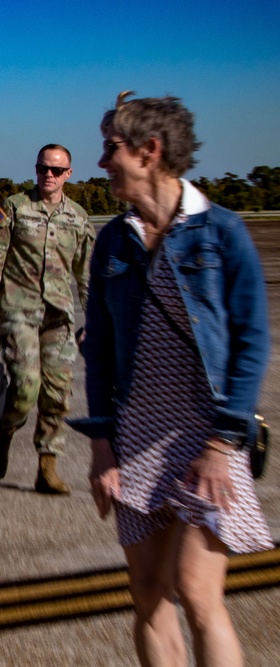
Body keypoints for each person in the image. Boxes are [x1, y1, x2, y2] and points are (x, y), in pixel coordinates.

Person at [74, 92, 272, 666]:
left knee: (197, 591)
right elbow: (102, 352)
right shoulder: (113, 240)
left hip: (208, 440)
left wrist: (222, 442)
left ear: (149, 151)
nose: (102, 161)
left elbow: (251, 344)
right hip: (136, 441)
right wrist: (102, 445)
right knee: (148, 597)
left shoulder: (222, 234)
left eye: (112, 148)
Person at [0, 143, 95, 494]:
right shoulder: (13, 208)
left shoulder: (78, 218)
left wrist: (97, 323)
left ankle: (47, 466)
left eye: (57, 170)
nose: (49, 175)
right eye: (43, 168)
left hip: (59, 316)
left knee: (58, 394)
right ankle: (5, 430)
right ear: (36, 169)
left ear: (68, 174)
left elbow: (87, 275)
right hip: (18, 311)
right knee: (26, 387)